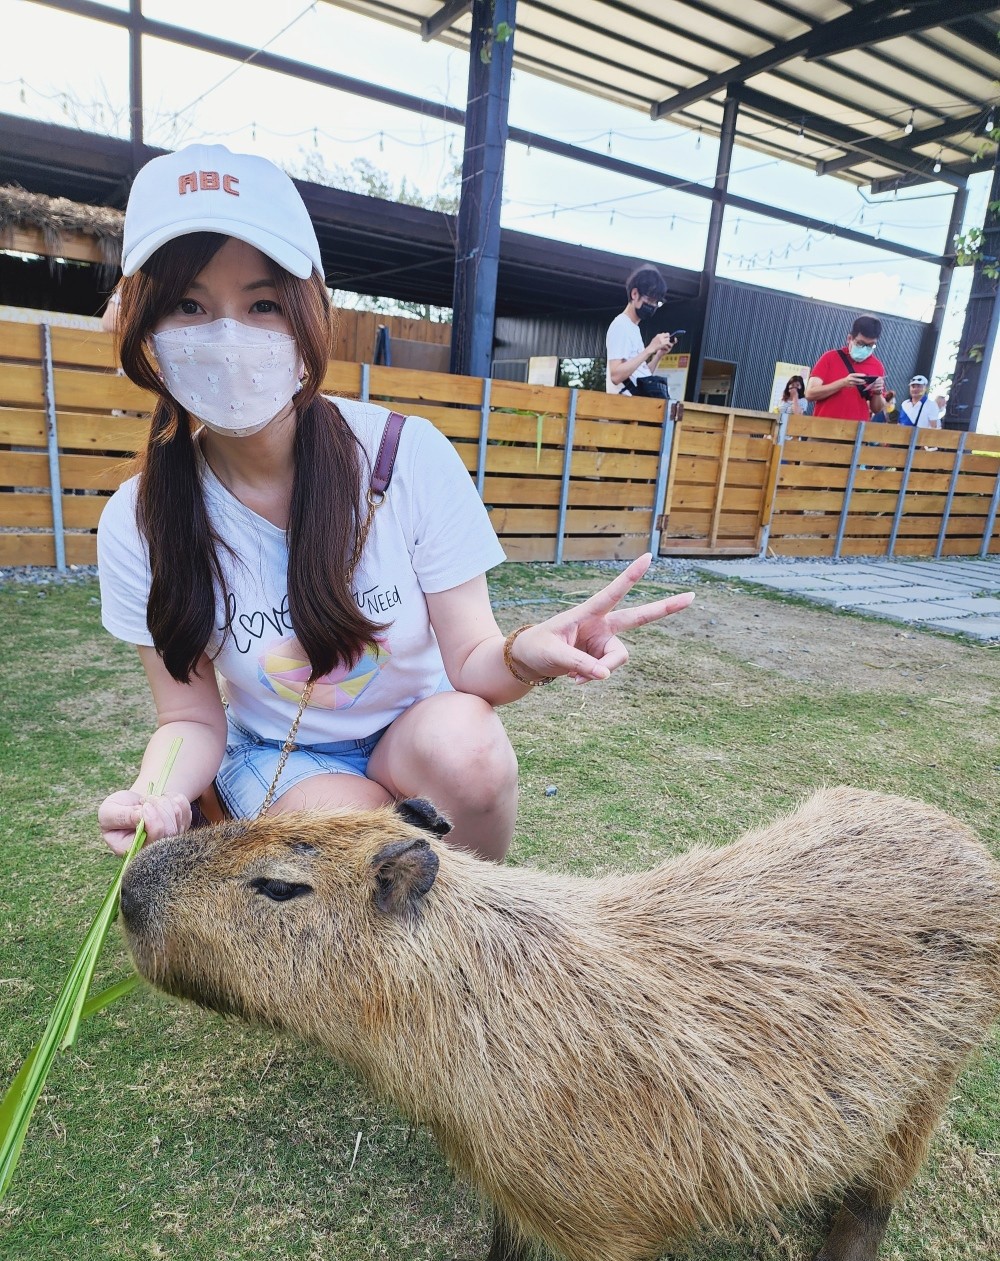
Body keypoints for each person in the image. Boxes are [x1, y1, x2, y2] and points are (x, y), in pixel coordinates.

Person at [96, 143, 695, 864]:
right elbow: (189, 714)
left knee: (471, 754)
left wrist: (527, 654)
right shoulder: (140, 520)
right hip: (283, 756)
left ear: (309, 312)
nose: (229, 339)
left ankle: (478, 948)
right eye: (189, 306)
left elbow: (473, 658)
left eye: (261, 303)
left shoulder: (404, 456)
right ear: (145, 329)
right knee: (359, 846)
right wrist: (155, 793)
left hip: (416, 726)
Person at [605, 265, 676, 394]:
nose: (653, 306)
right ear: (634, 294)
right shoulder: (621, 325)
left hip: (637, 407)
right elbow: (615, 376)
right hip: (624, 409)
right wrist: (650, 349)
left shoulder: (633, 328)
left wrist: (658, 355)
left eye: (657, 303)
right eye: (649, 300)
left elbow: (641, 377)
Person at [805, 315, 886, 421]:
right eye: (860, 343)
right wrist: (843, 383)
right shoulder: (830, 357)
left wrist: (877, 392)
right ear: (849, 339)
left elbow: (877, 409)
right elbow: (810, 394)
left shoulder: (877, 366)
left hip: (855, 433)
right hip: (822, 430)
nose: (865, 349)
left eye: (871, 345)